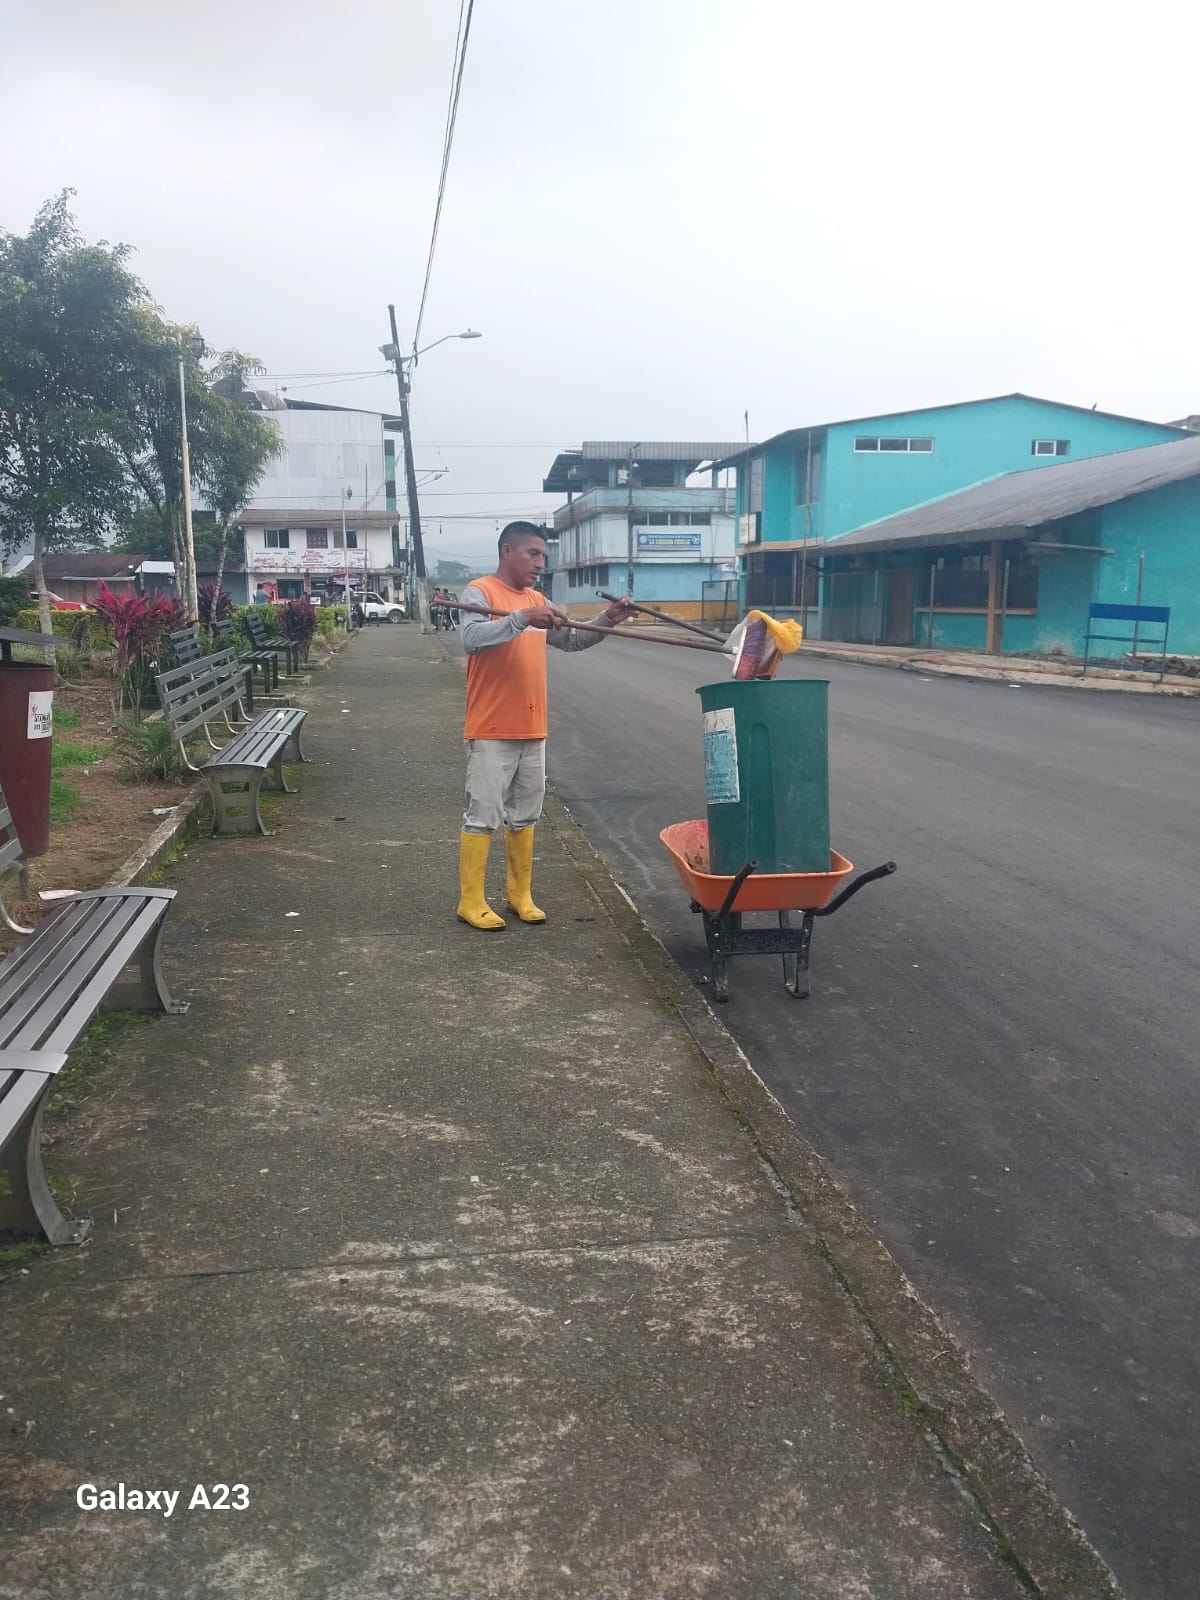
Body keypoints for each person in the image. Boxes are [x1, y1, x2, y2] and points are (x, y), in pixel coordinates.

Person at [455, 522, 635, 931]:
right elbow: (471, 639)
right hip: (491, 727)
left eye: (543, 556)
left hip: (532, 726)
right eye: (532, 553)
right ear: (507, 551)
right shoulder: (480, 592)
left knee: (525, 817)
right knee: (483, 816)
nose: (540, 563)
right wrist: (522, 618)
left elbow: (571, 640)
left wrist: (609, 618)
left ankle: (519, 896)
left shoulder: (539, 599)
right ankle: (471, 901)